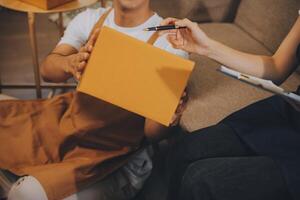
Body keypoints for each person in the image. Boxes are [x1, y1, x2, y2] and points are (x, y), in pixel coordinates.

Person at [0, 1, 188, 200]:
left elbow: (152, 133)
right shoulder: (90, 19)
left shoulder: (169, 39)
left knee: (25, 193)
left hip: (115, 156)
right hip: (69, 126)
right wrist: (69, 63)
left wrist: (169, 115)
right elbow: (47, 71)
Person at [160, 10, 300, 200]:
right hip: (291, 112)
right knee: (185, 150)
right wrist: (205, 47)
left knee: (202, 182)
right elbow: (276, 67)